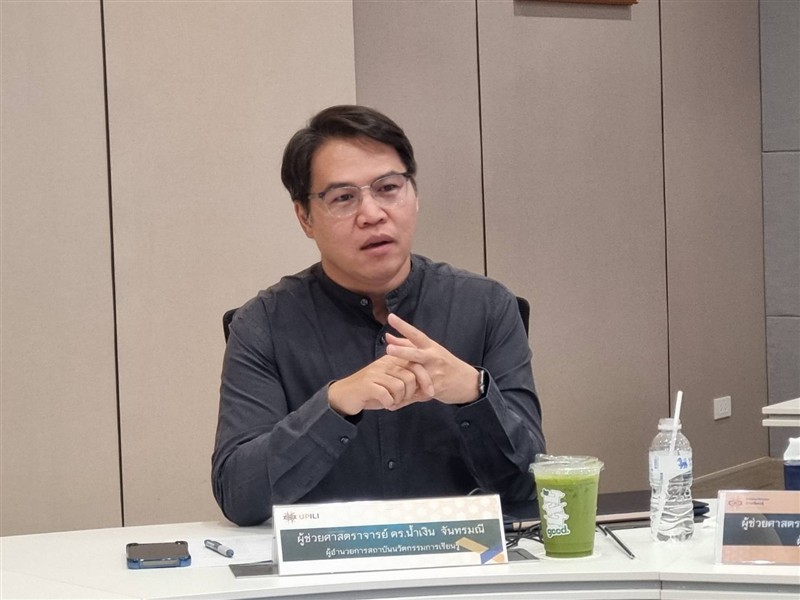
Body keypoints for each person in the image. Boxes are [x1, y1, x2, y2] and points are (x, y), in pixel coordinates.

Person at [212, 105, 545, 526]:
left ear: (415, 195)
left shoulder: (487, 307)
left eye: (388, 188)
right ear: (305, 218)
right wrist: (334, 405)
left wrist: (473, 392)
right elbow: (240, 496)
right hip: (324, 561)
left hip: (463, 556)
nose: (372, 214)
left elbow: (529, 487)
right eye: (343, 198)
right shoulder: (263, 325)